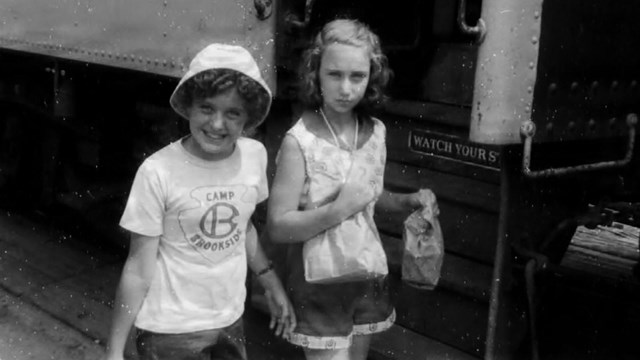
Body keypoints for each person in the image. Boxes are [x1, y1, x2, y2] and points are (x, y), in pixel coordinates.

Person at [102, 43, 296, 360]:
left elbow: (242, 226)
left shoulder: (254, 156)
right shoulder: (157, 172)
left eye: (232, 113)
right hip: (169, 333)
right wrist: (113, 352)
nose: (217, 124)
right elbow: (138, 270)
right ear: (189, 106)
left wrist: (271, 282)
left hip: (229, 321)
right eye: (207, 108)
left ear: (247, 118)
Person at [267, 19, 431, 360]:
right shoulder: (300, 142)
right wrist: (336, 210)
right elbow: (279, 226)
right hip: (320, 283)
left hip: (365, 275)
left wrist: (407, 202)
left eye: (357, 76)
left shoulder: (376, 132)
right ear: (316, 73)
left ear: (372, 75)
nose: (345, 88)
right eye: (334, 74)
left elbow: (370, 198)